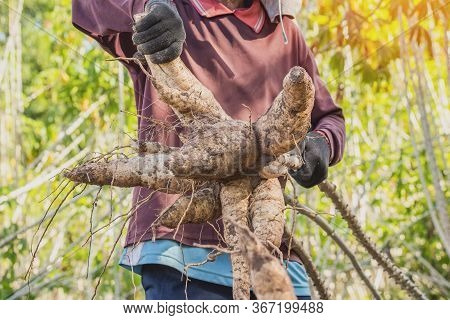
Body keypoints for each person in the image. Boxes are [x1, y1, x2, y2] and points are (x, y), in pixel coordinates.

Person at [72, 0, 345, 300]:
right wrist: (150, 6)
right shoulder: (169, 10)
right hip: (179, 254)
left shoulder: (285, 31)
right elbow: (86, 7)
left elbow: (327, 118)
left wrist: (323, 144)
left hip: (271, 252)